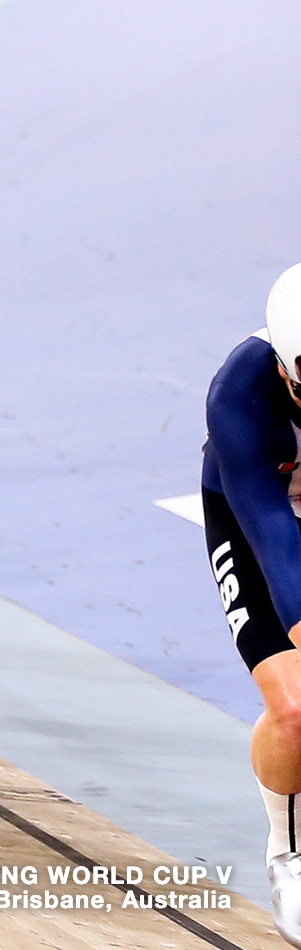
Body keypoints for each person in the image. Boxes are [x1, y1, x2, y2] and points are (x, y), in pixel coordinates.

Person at [201, 264, 301, 943]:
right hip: (255, 516)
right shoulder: (240, 393)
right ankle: (288, 854)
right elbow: (275, 545)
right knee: (295, 709)